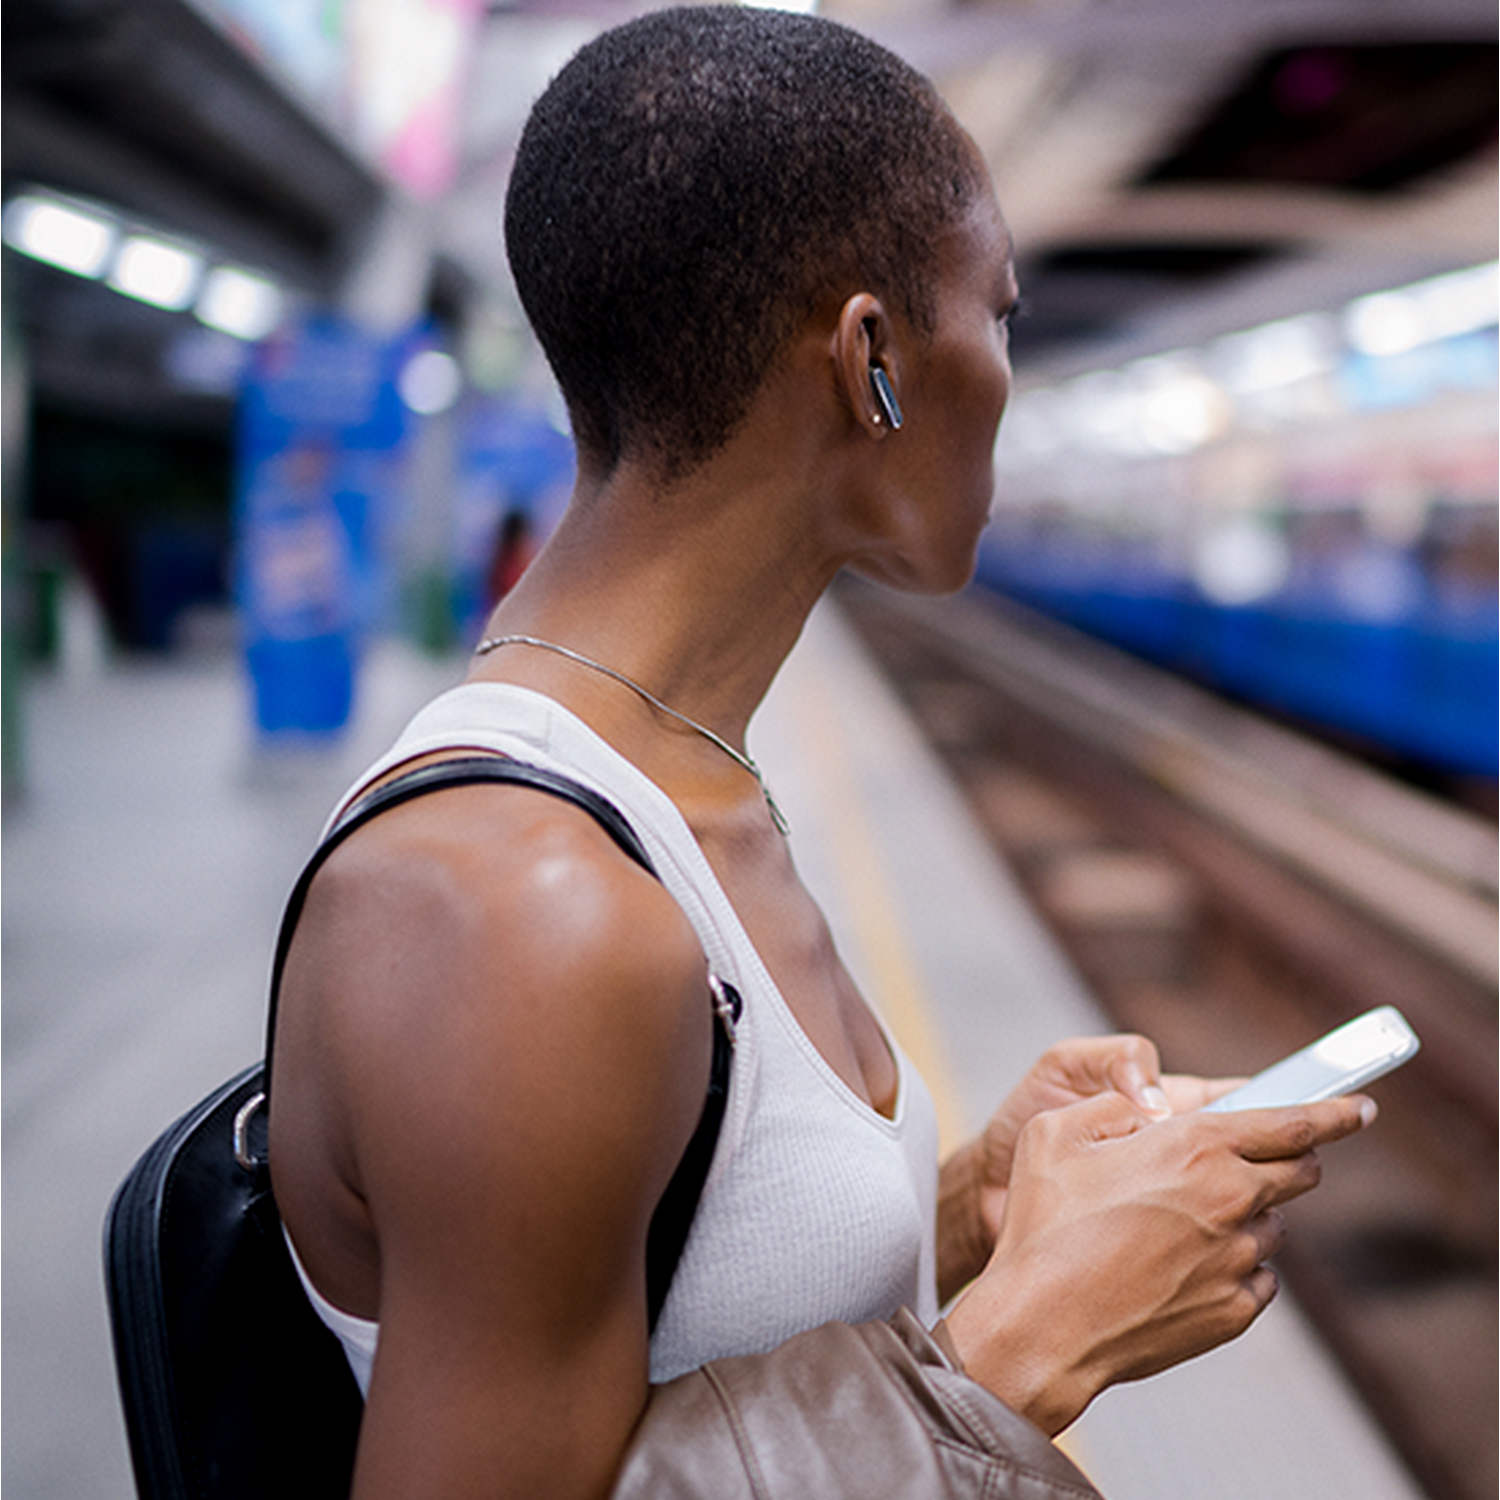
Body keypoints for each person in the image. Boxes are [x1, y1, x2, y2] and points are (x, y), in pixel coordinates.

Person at [267, 9, 1374, 1497]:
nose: (1009, 370)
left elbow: (681, 1302)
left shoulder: (680, 782)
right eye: (1001, 313)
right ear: (874, 362)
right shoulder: (525, 912)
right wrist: (1025, 1350)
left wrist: (979, 1203)